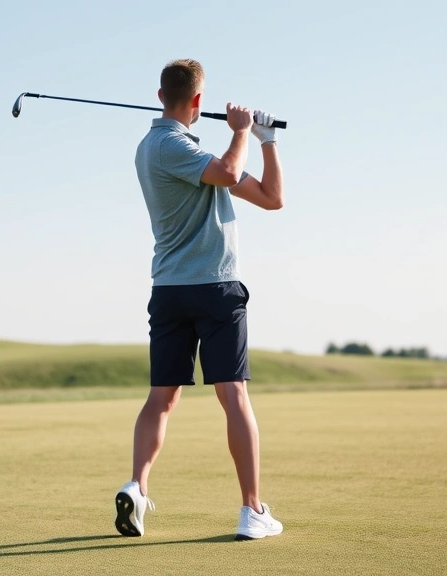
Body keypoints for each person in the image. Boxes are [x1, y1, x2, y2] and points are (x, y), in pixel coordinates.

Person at [114, 59, 284, 541]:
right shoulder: (168, 146)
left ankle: (138, 489)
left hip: (169, 291)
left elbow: (272, 198)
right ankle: (253, 510)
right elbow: (231, 172)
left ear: (159, 94)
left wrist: (267, 142)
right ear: (197, 102)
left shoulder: (189, 154)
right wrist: (242, 130)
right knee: (234, 396)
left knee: (162, 399)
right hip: (212, 288)